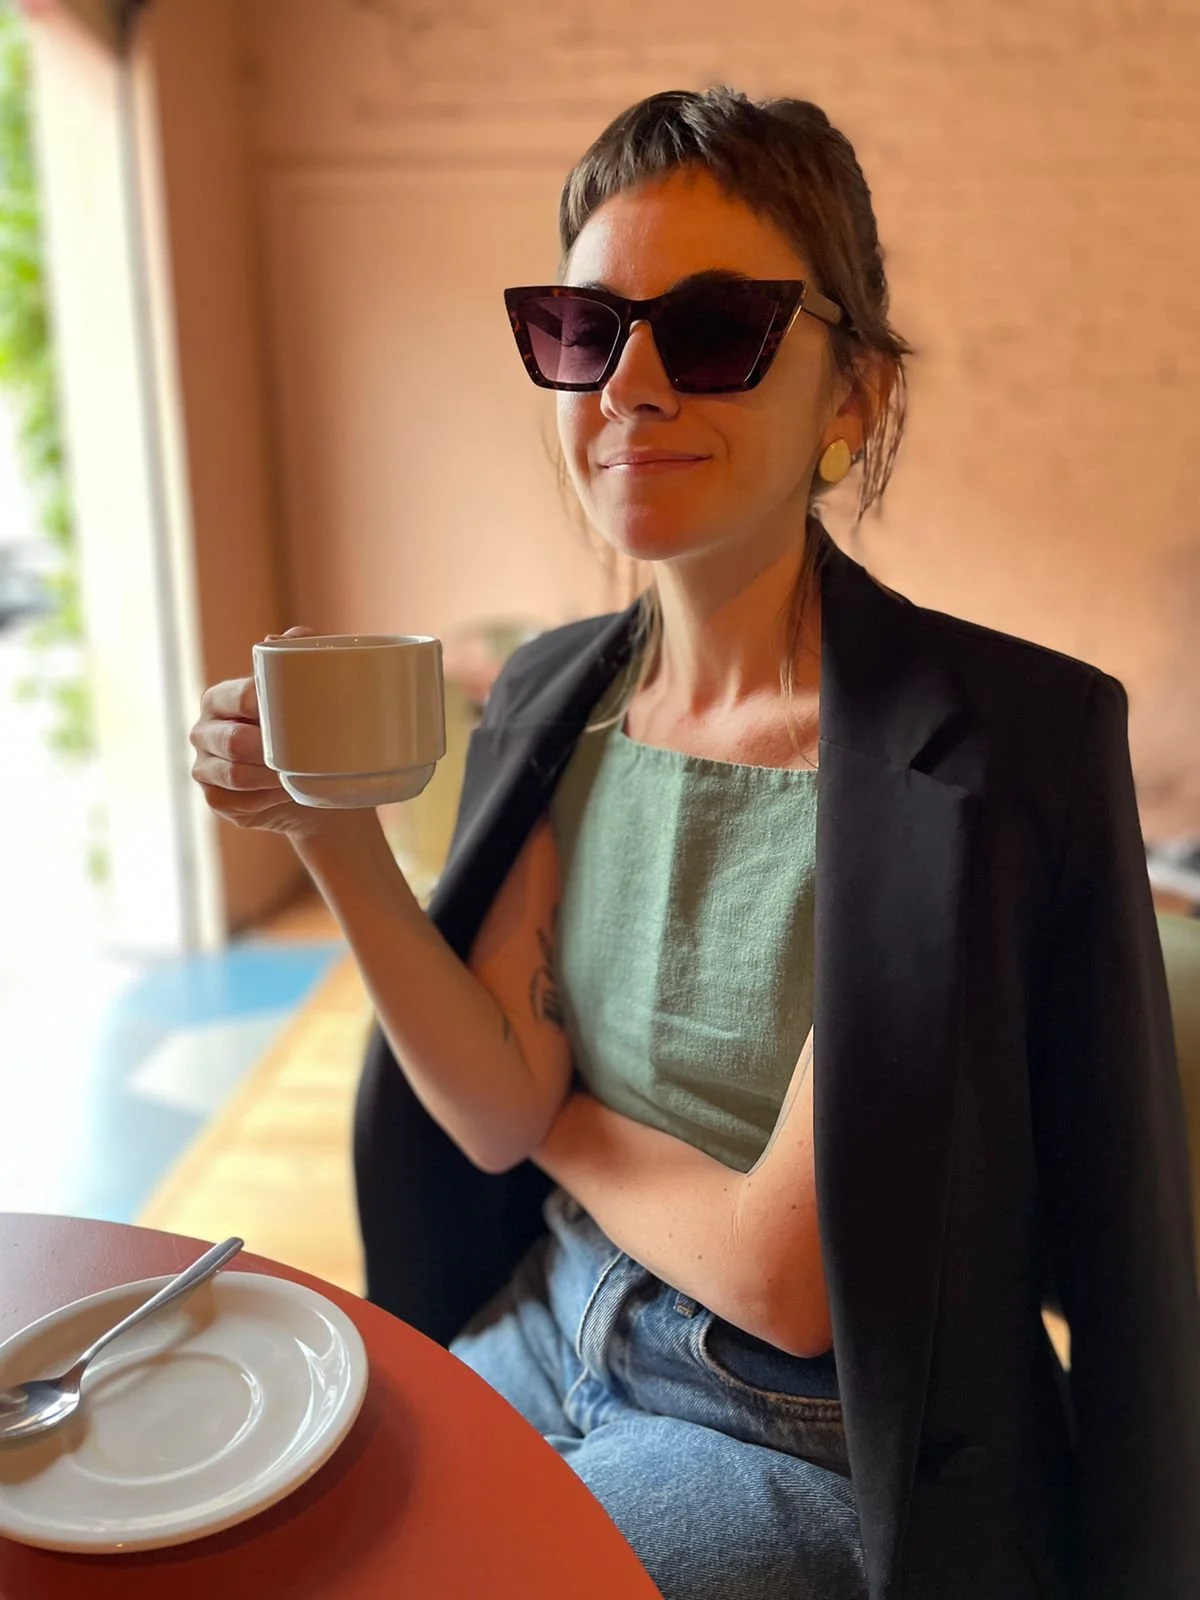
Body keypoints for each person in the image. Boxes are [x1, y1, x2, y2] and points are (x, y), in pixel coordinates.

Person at [190, 87, 1200, 1600]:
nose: (633, 386)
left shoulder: (1005, 745)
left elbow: (785, 1283)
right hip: (553, 1312)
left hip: (806, 1426)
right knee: (268, 1551)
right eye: (585, 331)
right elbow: (487, 1104)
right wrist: (329, 832)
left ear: (852, 394)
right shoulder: (555, 696)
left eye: (716, 329)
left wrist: (558, 1121)